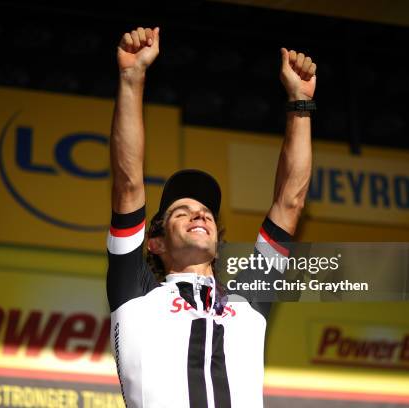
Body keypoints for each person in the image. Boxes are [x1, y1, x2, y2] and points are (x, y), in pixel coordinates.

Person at [106, 26, 315, 408]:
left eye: (205, 213)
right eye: (180, 212)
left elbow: (290, 203)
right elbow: (128, 185)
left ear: (218, 242)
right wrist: (131, 78)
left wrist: (300, 103)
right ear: (155, 242)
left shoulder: (247, 303)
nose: (198, 215)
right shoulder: (133, 296)